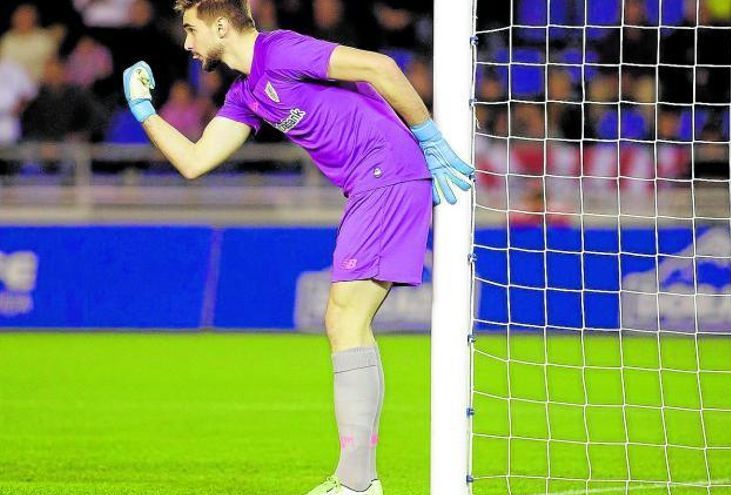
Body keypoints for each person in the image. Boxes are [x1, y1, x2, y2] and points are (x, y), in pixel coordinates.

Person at [120, 1, 473, 494]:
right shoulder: (246, 93)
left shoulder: (281, 50)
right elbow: (196, 160)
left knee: (345, 318)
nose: (186, 43)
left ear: (222, 26)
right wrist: (144, 112)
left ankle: (357, 483)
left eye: (191, 30)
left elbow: (380, 67)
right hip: (370, 183)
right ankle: (358, 480)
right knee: (343, 319)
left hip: (386, 173)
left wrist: (428, 135)